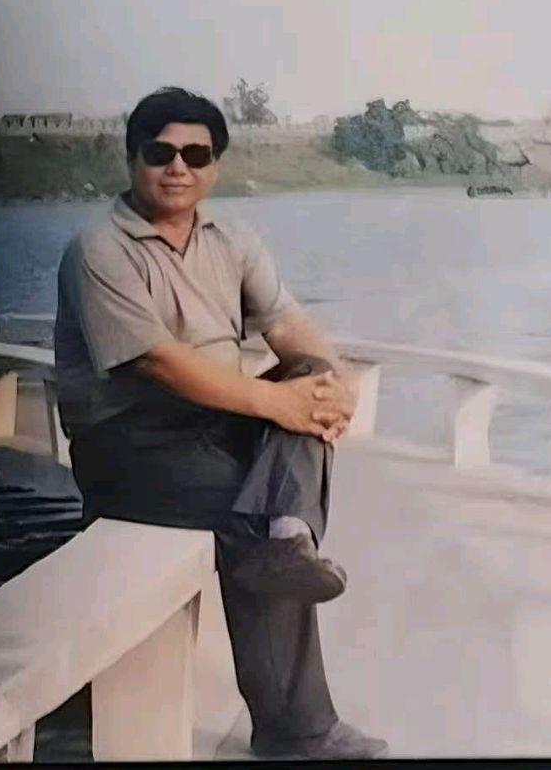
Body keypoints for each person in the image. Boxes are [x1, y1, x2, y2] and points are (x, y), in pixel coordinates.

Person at [53, 86, 388, 760]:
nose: (178, 167)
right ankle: (296, 731)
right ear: (132, 158)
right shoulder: (98, 250)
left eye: (196, 154)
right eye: (161, 152)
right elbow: (158, 363)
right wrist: (280, 405)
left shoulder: (233, 240)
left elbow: (289, 327)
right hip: (130, 442)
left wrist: (333, 386)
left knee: (306, 379)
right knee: (253, 505)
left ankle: (290, 537)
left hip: (219, 418)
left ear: (215, 165)